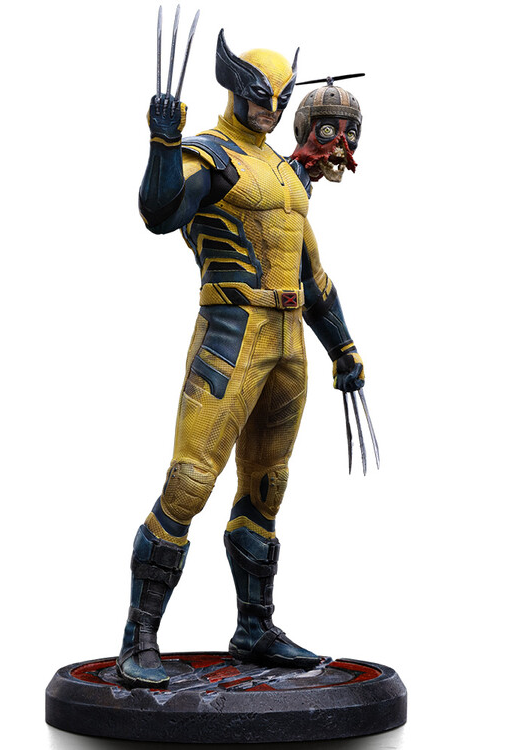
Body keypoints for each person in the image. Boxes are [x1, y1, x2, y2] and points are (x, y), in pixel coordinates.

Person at [116, 30, 366, 689]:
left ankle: (255, 628)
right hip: (231, 333)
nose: (271, 109)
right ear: (234, 88)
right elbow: (159, 212)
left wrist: (342, 346)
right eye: (261, 96)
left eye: (281, 99)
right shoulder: (209, 155)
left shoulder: (286, 173)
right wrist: (163, 143)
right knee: (190, 482)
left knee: (267, 485)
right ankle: (139, 637)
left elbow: (311, 272)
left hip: (287, 343)